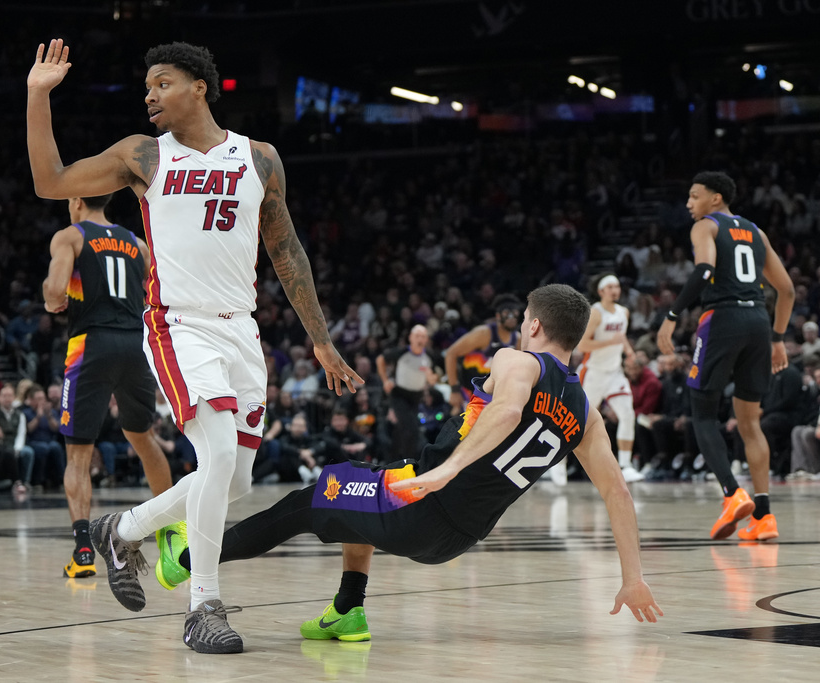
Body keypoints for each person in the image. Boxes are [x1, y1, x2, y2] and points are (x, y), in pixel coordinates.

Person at [27, 39, 359, 654]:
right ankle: (203, 607)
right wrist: (37, 95)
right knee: (218, 453)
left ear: (199, 87)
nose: (150, 95)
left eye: (162, 83)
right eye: (147, 87)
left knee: (236, 481)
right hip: (177, 324)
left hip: (241, 330)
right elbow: (50, 181)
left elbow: (287, 252)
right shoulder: (144, 155)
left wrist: (320, 340)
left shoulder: (259, 158)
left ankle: (122, 529)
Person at [153, 284, 663, 644]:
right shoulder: (585, 413)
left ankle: (187, 560)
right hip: (457, 537)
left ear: (534, 324)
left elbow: (509, 411)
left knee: (307, 501)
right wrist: (632, 577)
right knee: (359, 478)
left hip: (423, 502)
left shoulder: (517, 360)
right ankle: (348, 610)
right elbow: (618, 493)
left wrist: (447, 470)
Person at [41, 192, 175, 579]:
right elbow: (160, 294)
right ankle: (171, 536)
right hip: (135, 344)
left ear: (77, 200)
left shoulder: (70, 236)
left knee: (79, 454)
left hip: (91, 344)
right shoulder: (137, 244)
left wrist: (53, 299)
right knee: (143, 437)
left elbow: (55, 291)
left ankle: (83, 551)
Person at [657, 171, 794, 541]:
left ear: (715, 198)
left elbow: (704, 270)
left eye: (694, 195)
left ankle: (733, 494)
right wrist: (779, 339)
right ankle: (764, 518)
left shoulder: (706, 226)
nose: (689, 203)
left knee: (701, 412)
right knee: (750, 422)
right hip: (759, 322)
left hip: (722, 318)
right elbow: (787, 290)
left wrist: (671, 315)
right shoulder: (757, 232)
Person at [571, 274, 643, 483]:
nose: (615, 290)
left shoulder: (623, 312)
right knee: (578, 420)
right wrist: (611, 342)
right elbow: (583, 345)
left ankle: (625, 465)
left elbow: (620, 338)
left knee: (627, 414)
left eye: (617, 286)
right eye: (610, 287)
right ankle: (558, 461)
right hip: (593, 372)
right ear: (601, 291)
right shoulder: (595, 313)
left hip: (614, 373)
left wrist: (629, 351)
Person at [443, 294, 522, 412]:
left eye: (514, 312)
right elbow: (451, 354)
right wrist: (454, 389)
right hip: (469, 394)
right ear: (498, 315)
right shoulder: (484, 333)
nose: (511, 316)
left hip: (493, 397)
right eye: (506, 312)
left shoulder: (517, 339)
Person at [376, 325, 440, 464]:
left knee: (402, 429)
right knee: (411, 428)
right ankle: (408, 462)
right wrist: (385, 380)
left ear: (426, 339)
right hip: (399, 394)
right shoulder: (401, 352)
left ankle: (393, 460)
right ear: (410, 338)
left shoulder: (429, 356)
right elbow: (380, 359)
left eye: (423, 336)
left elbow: (434, 378)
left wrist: (431, 377)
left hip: (416, 396)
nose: (420, 339)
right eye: (417, 336)